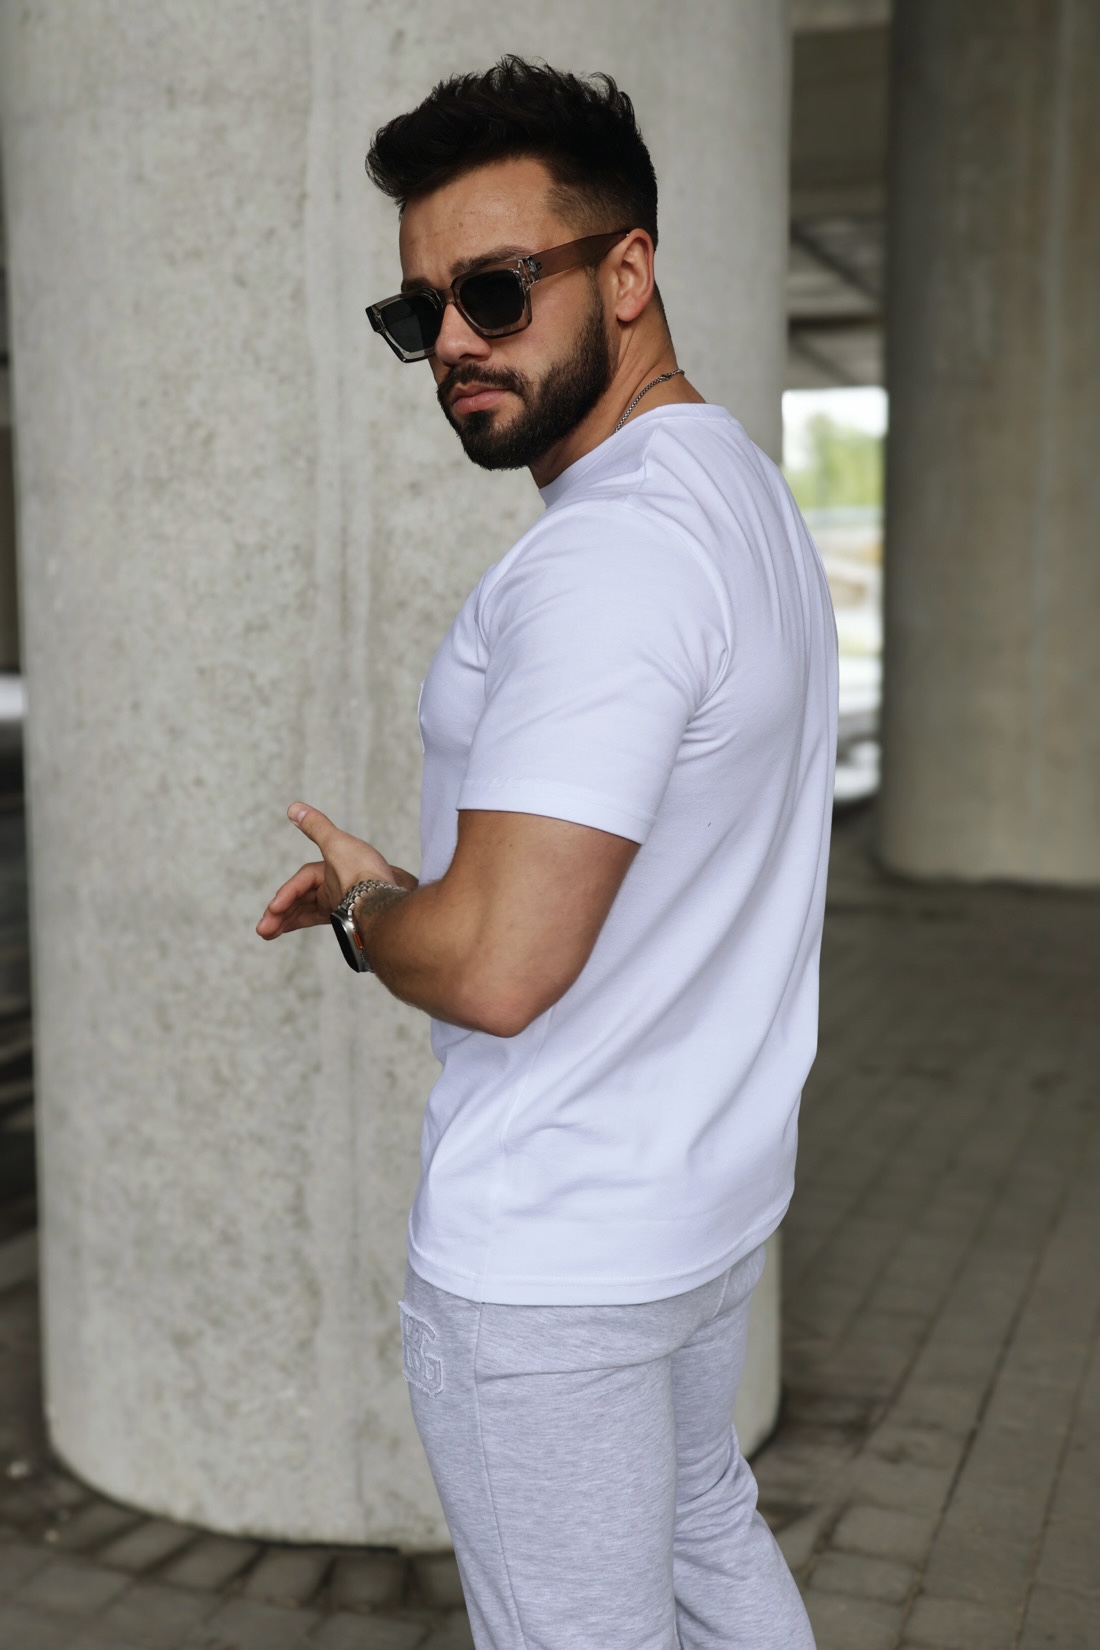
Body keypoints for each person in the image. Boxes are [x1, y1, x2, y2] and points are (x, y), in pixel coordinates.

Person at [258, 56, 833, 1650]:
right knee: (707, 1533)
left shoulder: (607, 558)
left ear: (626, 273)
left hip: (557, 1257)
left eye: (496, 291)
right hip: (697, 1202)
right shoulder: (740, 494)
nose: (452, 339)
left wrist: (371, 906)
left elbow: (503, 964)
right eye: (419, 311)